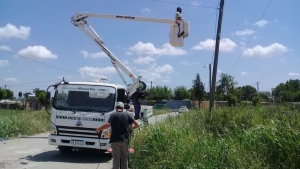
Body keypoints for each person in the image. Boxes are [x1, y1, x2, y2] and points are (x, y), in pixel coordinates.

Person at [95, 102, 138, 169]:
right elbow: (136, 123)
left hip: (115, 140)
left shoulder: (113, 115)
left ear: (116, 108)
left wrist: (98, 129)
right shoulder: (126, 115)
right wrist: (134, 127)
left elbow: (108, 124)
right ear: (122, 108)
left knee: (116, 157)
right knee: (124, 157)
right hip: (125, 140)